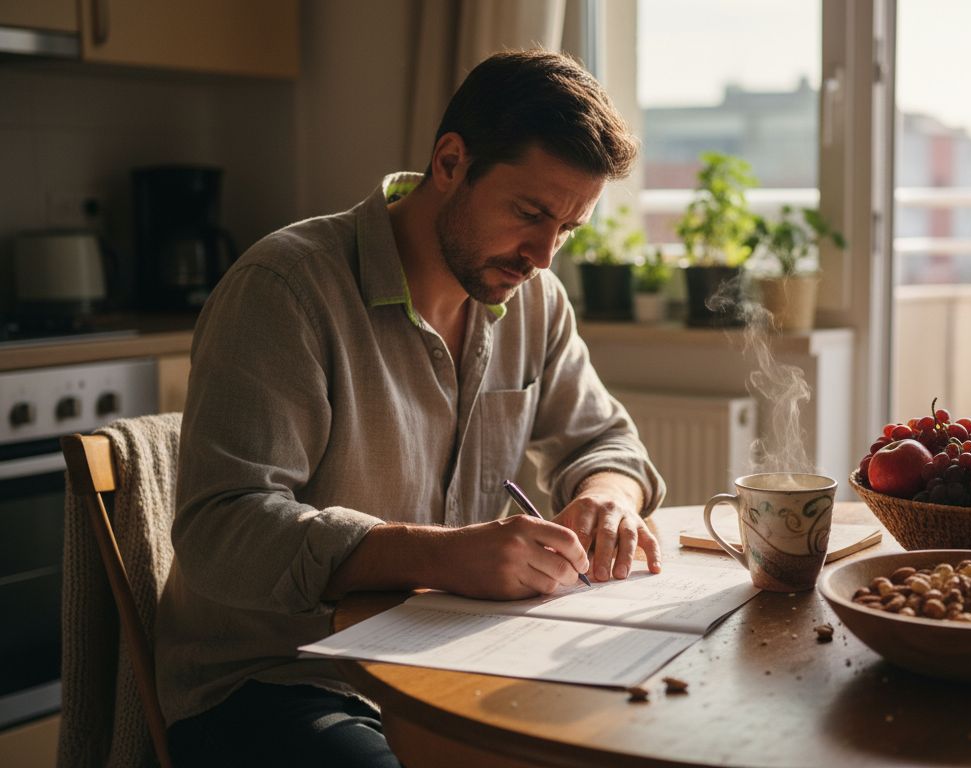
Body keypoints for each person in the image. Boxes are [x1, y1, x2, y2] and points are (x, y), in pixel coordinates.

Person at [158, 49, 667, 767]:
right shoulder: (285, 288)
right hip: (280, 681)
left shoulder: (532, 299)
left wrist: (608, 497)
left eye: (568, 229)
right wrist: (442, 555)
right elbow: (223, 527)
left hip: (455, 660)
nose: (544, 256)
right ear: (451, 162)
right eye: (529, 213)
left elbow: (606, 441)